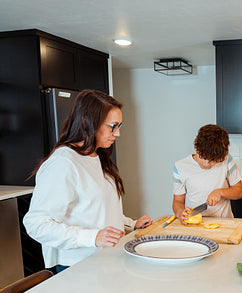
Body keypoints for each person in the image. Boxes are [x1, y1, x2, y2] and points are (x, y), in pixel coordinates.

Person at [23, 90, 153, 273]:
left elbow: (95, 208)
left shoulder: (97, 155)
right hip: (78, 265)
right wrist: (93, 237)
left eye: (119, 126)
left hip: (106, 260)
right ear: (88, 122)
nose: (118, 133)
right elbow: (36, 224)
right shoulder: (64, 163)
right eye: (113, 126)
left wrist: (131, 224)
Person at [172, 124, 242, 223]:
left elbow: (240, 192)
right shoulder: (180, 167)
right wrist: (180, 213)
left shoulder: (226, 159)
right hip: (195, 225)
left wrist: (221, 192)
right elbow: (178, 201)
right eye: (203, 158)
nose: (207, 164)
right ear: (195, 147)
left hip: (225, 224)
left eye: (213, 160)